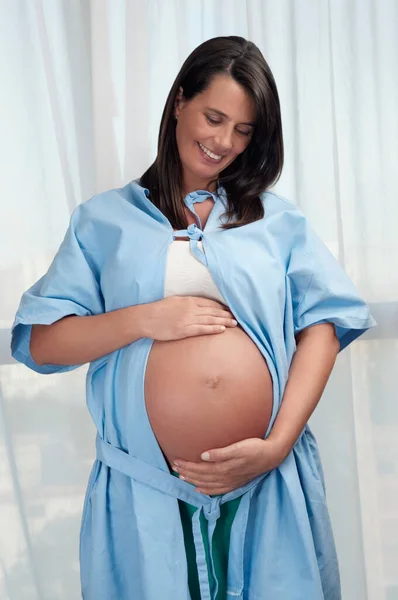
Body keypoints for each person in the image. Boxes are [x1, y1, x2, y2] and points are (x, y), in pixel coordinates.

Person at [11, 36, 375, 600]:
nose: (224, 141)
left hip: (265, 479)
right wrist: (147, 318)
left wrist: (276, 446)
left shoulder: (278, 222)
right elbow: (42, 342)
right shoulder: (104, 220)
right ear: (179, 101)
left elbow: (322, 331)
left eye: (244, 129)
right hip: (148, 487)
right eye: (213, 117)